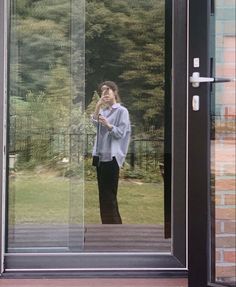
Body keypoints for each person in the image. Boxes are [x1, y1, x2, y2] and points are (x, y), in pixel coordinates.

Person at [91, 81, 131, 224]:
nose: (105, 93)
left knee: (110, 195)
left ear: (115, 92)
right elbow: (94, 123)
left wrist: (108, 125)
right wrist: (98, 106)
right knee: (103, 195)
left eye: (107, 90)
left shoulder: (122, 111)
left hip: (112, 158)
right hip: (100, 157)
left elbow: (120, 133)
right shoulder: (104, 111)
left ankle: (115, 227)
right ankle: (106, 226)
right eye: (102, 91)